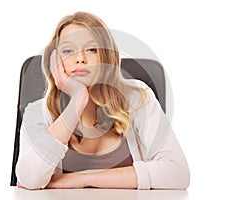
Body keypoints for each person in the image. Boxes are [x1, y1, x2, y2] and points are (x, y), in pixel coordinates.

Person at [15, 11, 190, 190]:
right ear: (55, 61)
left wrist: (84, 178)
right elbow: (29, 180)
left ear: (106, 57)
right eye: (68, 51)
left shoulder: (137, 96)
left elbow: (178, 173)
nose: (80, 59)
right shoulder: (37, 111)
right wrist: (78, 100)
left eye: (92, 49)